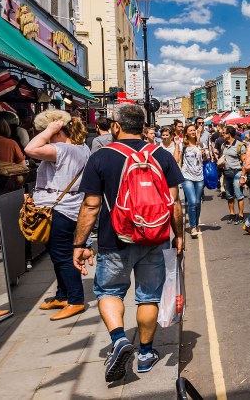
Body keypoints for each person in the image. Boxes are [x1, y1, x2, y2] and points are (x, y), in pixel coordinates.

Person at [72, 104, 184, 381]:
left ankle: (120, 339)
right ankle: (145, 354)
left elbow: (90, 205)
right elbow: (174, 202)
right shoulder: (161, 155)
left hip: (114, 240)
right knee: (149, 297)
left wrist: (79, 244)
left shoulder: (101, 158)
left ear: (116, 126)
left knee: (109, 292)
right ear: (143, 126)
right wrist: (178, 234)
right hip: (155, 238)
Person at [25, 111, 89, 321]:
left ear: (58, 131)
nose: (45, 136)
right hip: (65, 209)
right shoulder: (81, 148)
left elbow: (30, 148)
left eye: (48, 132)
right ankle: (62, 295)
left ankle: (75, 300)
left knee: (62, 256)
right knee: (57, 254)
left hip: (59, 210)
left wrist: (50, 129)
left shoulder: (62, 149)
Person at [180, 124, 206, 239]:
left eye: (194, 130)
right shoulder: (183, 146)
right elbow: (177, 159)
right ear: (186, 133)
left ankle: (196, 224)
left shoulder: (201, 144)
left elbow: (205, 160)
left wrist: (205, 155)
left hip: (199, 177)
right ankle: (192, 227)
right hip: (187, 177)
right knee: (192, 201)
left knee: (197, 202)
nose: (193, 132)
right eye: (190, 130)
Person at [218, 126, 247, 223]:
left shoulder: (240, 146)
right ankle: (232, 214)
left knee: (239, 194)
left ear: (229, 134)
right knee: (229, 195)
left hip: (237, 172)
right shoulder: (223, 145)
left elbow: (244, 161)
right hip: (227, 172)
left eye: (224, 133)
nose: (222, 135)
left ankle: (241, 215)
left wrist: (243, 175)